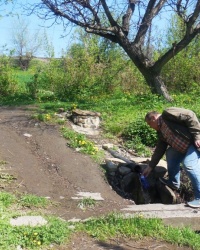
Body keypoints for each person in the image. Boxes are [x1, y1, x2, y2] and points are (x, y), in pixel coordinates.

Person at [143, 107, 200, 208]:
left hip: (194, 144)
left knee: (189, 165)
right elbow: (159, 150)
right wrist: (150, 166)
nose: (150, 126)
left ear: (153, 118)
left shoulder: (168, 114)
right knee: (170, 153)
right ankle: (173, 183)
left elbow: (190, 115)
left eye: (149, 124)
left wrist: (197, 136)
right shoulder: (161, 132)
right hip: (183, 148)